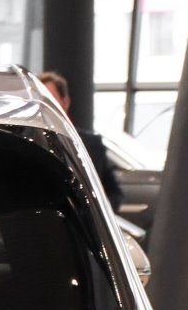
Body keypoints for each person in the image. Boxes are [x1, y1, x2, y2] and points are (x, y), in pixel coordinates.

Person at [39, 70, 125, 212]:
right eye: (41, 99)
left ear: (65, 102)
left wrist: (97, 213)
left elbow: (114, 193)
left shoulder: (92, 144)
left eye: (51, 98)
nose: (46, 104)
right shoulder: (30, 143)